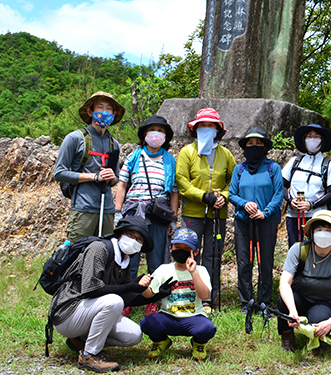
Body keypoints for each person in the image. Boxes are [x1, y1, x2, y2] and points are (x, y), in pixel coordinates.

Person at [48, 216, 155, 373]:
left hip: (88, 312)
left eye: (139, 240)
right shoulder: (99, 248)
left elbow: (126, 297)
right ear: (120, 234)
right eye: (131, 235)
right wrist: (131, 286)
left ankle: (80, 340)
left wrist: (156, 296)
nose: (134, 241)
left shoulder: (124, 260)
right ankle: (88, 356)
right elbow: (90, 289)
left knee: (134, 335)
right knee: (114, 301)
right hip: (68, 313)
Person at [114, 114, 179, 317]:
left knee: (157, 258)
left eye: (161, 131)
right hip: (134, 211)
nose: (156, 134)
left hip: (159, 212)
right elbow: (122, 184)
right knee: (130, 255)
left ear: (166, 136)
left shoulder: (170, 160)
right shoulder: (134, 156)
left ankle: (152, 298)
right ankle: (129, 298)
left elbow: (174, 192)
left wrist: (173, 219)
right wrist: (118, 212)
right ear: (144, 134)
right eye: (152, 130)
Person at [176, 108, 236, 313]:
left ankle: (209, 297)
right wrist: (204, 196)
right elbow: (182, 182)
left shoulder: (226, 154)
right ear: (195, 129)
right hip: (193, 212)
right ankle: (186, 294)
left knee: (213, 254)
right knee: (189, 253)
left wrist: (224, 197)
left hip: (217, 214)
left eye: (211, 126)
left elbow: (232, 181)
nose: (207, 129)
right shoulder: (187, 152)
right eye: (203, 125)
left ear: (218, 130)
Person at [277, 210, 331, 352]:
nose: (323, 233)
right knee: (283, 301)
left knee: (321, 346)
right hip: (299, 299)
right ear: (311, 232)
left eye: (328, 230)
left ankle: (318, 334)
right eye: (319, 229)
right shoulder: (298, 250)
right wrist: (292, 310)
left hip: (323, 303)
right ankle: (287, 336)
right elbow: (284, 283)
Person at [54, 91, 124, 243]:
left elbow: (116, 179)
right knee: (75, 255)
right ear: (90, 111)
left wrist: (112, 178)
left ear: (114, 113)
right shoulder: (75, 138)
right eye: (100, 107)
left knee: (102, 255)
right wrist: (93, 177)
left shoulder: (114, 144)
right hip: (83, 208)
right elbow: (59, 173)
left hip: (107, 210)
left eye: (109, 108)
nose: (104, 112)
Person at [140, 228, 217, 361]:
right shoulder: (163, 269)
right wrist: (143, 287)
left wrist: (193, 273)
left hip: (193, 317)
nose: (181, 251)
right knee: (147, 323)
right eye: (177, 247)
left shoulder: (201, 270)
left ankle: (198, 343)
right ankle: (161, 341)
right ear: (171, 249)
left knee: (208, 328)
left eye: (186, 248)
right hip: (168, 316)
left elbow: (205, 296)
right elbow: (149, 295)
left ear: (195, 252)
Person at [229, 127, 283, 309]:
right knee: (244, 262)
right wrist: (244, 204)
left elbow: (278, 194)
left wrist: (265, 212)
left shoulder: (272, 168)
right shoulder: (239, 169)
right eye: (250, 144)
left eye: (258, 144)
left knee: (265, 261)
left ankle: (264, 301)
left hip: (266, 221)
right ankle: (246, 301)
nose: (254, 147)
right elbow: (232, 194)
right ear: (245, 148)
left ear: (265, 147)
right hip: (243, 222)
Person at [282, 124, 331, 248]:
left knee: (317, 249)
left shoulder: (328, 165)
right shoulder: (294, 162)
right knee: (295, 249)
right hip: (294, 215)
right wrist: (290, 200)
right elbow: (282, 185)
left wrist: (311, 205)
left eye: (316, 136)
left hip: (318, 217)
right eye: (309, 136)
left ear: (322, 141)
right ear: (304, 140)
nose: (312, 139)